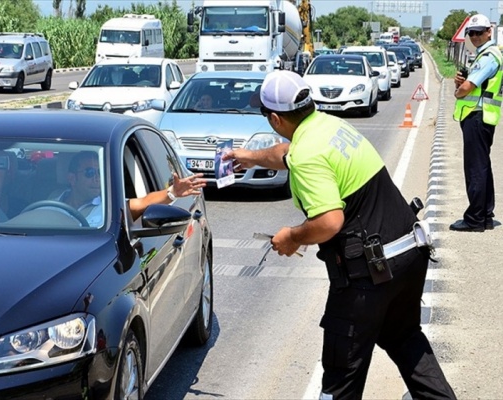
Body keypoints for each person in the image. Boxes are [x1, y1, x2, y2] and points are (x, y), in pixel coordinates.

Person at [223, 70, 456, 399]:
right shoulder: (327, 126)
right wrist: (247, 157)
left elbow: (329, 221)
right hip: (408, 255)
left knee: (340, 378)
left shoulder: (305, 154)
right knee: (406, 341)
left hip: (369, 276)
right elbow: (284, 154)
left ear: (275, 118)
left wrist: (291, 236)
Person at [451, 13, 502, 232]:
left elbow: (468, 88)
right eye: (471, 33)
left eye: (479, 32)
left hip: (477, 117)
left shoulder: (490, 55)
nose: (475, 36)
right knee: (482, 166)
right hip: (481, 117)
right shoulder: (484, 55)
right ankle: (486, 215)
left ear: (489, 31)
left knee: (475, 169)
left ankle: (474, 219)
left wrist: (458, 91)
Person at [57, 151, 205, 225]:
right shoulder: (49, 205)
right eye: (89, 173)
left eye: (100, 172)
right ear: (72, 178)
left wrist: (173, 192)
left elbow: (144, 202)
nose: (97, 178)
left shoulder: (111, 207)